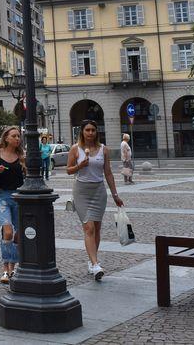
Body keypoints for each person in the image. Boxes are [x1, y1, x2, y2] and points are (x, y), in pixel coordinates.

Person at [67, 120, 123, 281]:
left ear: (96, 132)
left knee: (97, 229)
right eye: (87, 130)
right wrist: (80, 166)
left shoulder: (103, 150)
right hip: (81, 191)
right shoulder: (75, 149)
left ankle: (92, 262)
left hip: (99, 191)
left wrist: (115, 195)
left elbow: (108, 173)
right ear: (82, 132)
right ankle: (95, 263)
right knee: (89, 228)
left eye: (93, 130)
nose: (90, 133)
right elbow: (68, 170)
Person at [0, 126, 25, 284]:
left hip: (19, 196)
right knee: (7, 231)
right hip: (2, 196)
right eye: (14, 136)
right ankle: (6, 268)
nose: (17, 139)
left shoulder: (21, 155)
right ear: (6, 138)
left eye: (18, 136)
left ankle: (13, 267)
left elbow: (30, 176)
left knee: (18, 235)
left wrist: (25, 166)